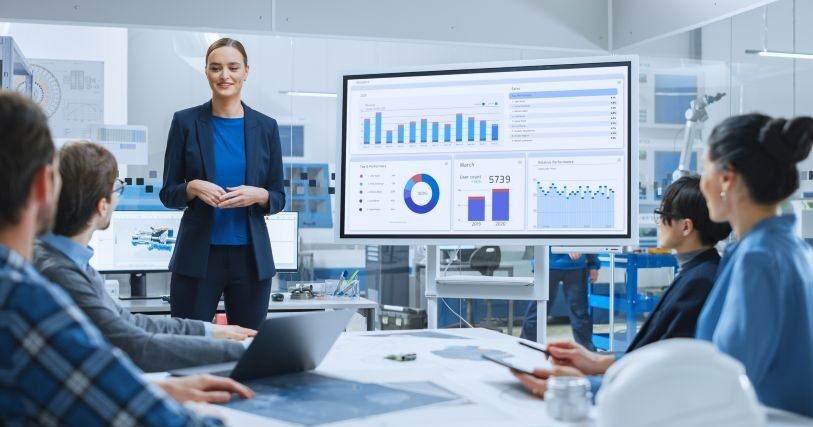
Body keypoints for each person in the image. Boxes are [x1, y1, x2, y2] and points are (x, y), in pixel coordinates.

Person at [0, 91, 253, 426]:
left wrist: (213, 336)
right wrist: (252, 358)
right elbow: (134, 362)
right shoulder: (27, 298)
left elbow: (130, 329)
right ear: (46, 188)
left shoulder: (55, 271)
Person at [33, 142, 255, 372]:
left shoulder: (69, 262)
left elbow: (130, 324)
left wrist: (212, 331)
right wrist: (245, 352)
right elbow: (135, 347)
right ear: (101, 206)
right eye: (117, 189)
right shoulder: (59, 273)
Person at [513, 176, 732, 398]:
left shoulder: (700, 282)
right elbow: (655, 353)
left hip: (644, 401)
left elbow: (664, 372)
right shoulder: (698, 271)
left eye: (662, 215)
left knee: (579, 313)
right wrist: (597, 361)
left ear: (686, 227)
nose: (658, 222)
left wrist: (582, 386)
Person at [160, 37, 285, 329]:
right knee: (187, 344)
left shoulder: (266, 127)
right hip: (198, 258)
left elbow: (279, 197)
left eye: (232, 67)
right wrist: (191, 188)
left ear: (246, 72)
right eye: (216, 68)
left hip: (251, 260)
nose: (224, 75)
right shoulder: (185, 123)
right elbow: (168, 193)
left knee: (249, 348)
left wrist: (260, 195)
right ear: (206, 72)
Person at [695, 114, 813, 417]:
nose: (701, 182)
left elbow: (724, 385)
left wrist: (591, 388)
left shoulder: (757, 260)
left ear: (726, 178)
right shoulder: (791, 249)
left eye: (704, 169)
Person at [521, 252, 599, 350]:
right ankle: (526, 348)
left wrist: (593, 264)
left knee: (580, 312)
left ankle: (586, 352)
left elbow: (589, 238)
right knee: (538, 310)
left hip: (576, 266)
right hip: (547, 263)